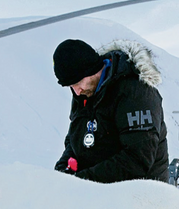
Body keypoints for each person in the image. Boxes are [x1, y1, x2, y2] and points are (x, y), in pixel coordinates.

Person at [52, 39, 169, 183]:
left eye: (77, 83)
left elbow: (137, 159)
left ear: (91, 70)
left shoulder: (135, 93)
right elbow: (76, 138)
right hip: (98, 191)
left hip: (139, 195)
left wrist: (83, 181)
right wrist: (64, 166)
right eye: (71, 86)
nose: (76, 91)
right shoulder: (85, 93)